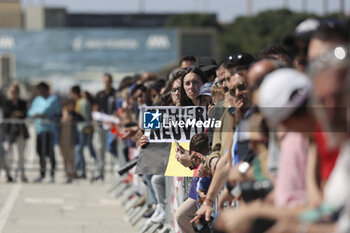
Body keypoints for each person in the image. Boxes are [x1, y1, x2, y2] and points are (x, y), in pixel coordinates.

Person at [28, 82, 60, 183]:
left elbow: (47, 109)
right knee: (40, 152)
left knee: (50, 153)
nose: (39, 91)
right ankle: (42, 174)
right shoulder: (37, 99)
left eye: (41, 89)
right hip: (39, 129)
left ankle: (52, 174)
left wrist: (40, 113)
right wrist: (36, 114)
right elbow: (31, 112)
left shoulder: (53, 99)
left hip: (49, 130)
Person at [3, 83, 29, 182]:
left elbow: (24, 114)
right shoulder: (7, 102)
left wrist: (17, 114)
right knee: (7, 154)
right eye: (13, 91)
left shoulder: (22, 102)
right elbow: (6, 116)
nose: (14, 93)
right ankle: (8, 174)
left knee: (21, 155)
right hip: (10, 132)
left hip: (21, 131)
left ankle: (22, 174)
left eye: (16, 91)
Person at [94, 73, 117, 181]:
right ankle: (100, 172)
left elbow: (117, 110)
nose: (107, 83)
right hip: (101, 126)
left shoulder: (115, 94)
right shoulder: (100, 94)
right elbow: (95, 109)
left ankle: (115, 173)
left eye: (109, 81)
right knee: (100, 149)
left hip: (112, 125)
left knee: (112, 147)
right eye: (105, 81)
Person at [59, 98, 82, 183]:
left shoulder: (73, 113)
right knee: (64, 157)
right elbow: (53, 118)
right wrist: (61, 120)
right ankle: (66, 174)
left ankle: (72, 173)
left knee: (71, 157)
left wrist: (72, 118)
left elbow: (81, 118)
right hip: (62, 138)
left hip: (72, 139)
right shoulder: (60, 112)